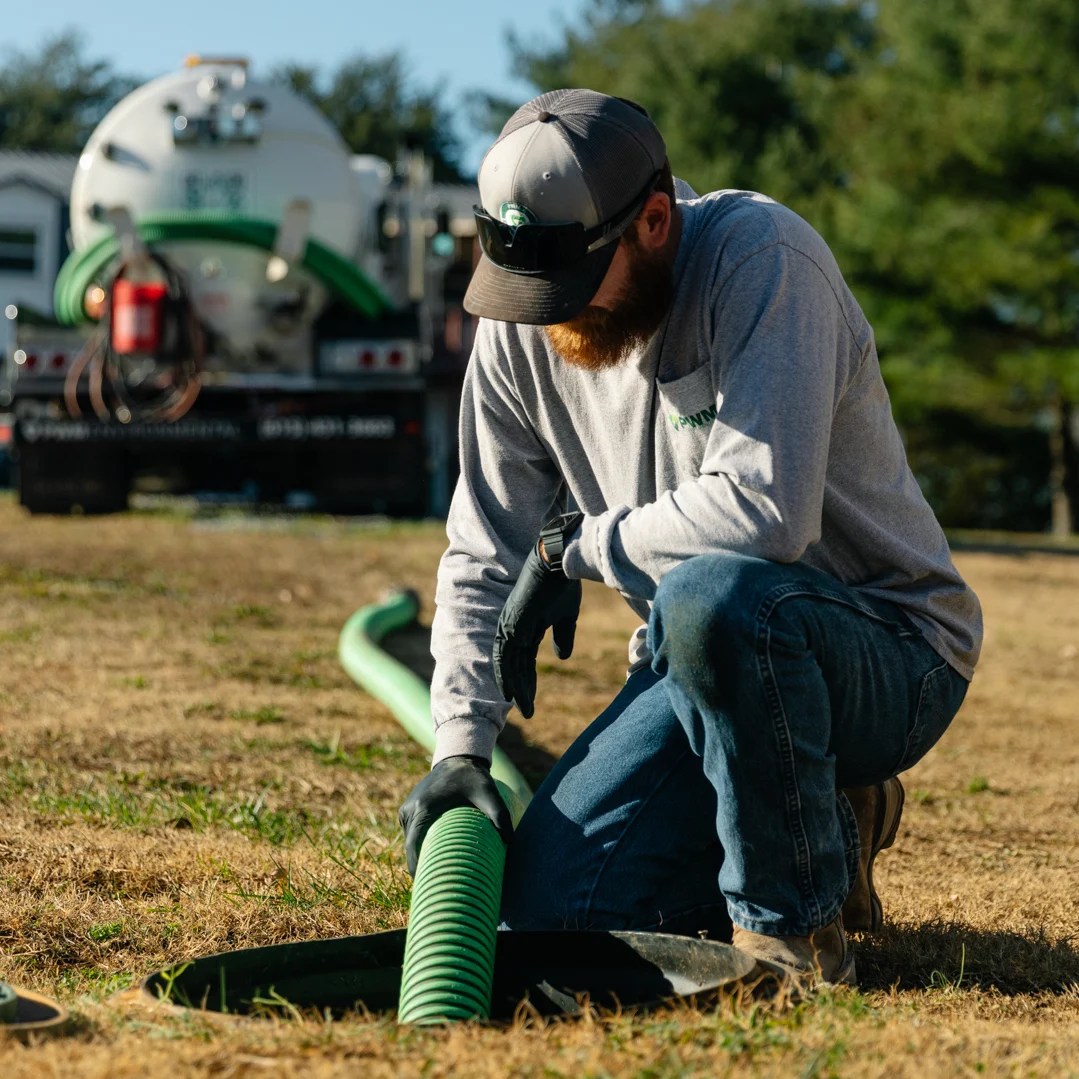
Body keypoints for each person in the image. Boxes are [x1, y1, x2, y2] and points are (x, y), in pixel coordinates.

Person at [398, 89, 982, 986]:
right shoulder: (524, 322)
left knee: (711, 595)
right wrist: (459, 747)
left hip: (884, 649)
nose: (551, 315)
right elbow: (483, 544)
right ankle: (820, 815)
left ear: (654, 221)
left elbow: (762, 514)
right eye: (526, 285)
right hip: (697, 663)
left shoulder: (761, 260)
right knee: (559, 916)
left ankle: (793, 932)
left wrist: (573, 549)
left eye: (570, 281)